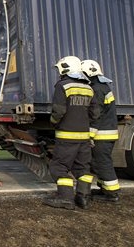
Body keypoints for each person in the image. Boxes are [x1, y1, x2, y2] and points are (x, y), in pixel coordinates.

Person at [43, 56, 99, 210]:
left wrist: (53, 122)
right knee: (83, 168)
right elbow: (95, 113)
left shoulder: (63, 86)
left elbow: (59, 111)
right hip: (84, 137)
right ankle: (83, 198)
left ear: (65, 68)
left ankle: (65, 198)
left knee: (59, 167)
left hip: (66, 136)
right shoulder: (89, 88)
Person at [81, 59, 121, 203]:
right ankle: (105, 189)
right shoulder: (103, 86)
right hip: (106, 133)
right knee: (100, 162)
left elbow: (96, 115)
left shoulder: (97, 89)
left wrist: (90, 135)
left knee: (102, 163)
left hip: (102, 135)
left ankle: (112, 194)